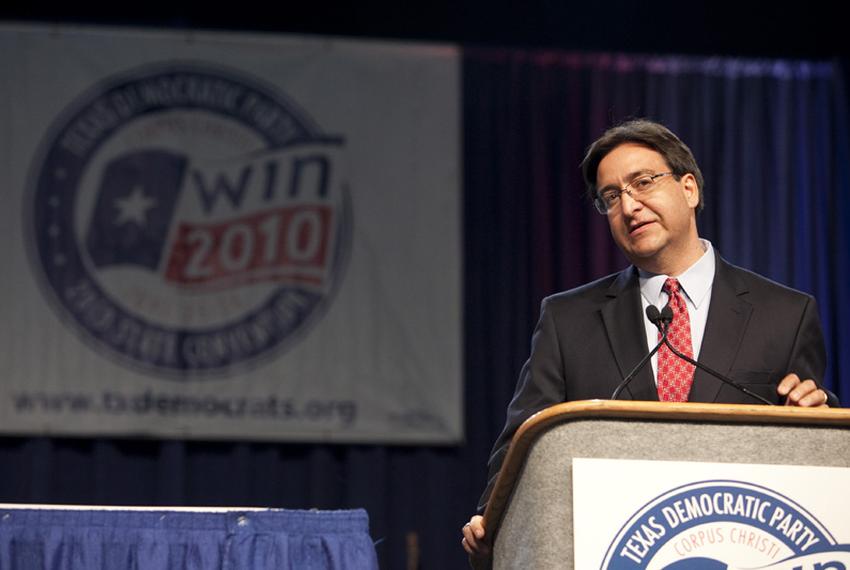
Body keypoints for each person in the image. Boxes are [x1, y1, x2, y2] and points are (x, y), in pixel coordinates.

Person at [461, 119, 838, 557]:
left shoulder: (786, 314)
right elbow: (523, 441)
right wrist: (491, 521)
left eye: (642, 183)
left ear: (690, 189)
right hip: (610, 548)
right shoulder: (568, 320)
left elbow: (812, 442)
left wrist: (818, 417)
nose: (629, 206)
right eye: (611, 197)